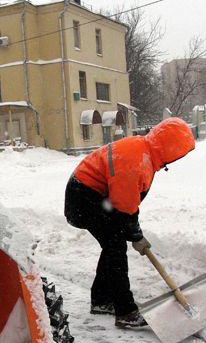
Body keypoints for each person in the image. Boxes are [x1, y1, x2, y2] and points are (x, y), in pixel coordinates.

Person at [64, 117, 195, 329]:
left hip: (94, 196)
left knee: (112, 244)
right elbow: (124, 206)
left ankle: (102, 301)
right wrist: (136, 235)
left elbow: (128, 204)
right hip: (84, 198)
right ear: (170, 148)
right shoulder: (136, 160)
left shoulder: (145, 152)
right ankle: (125, 311)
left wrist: (133, 233)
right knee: (115, 246)